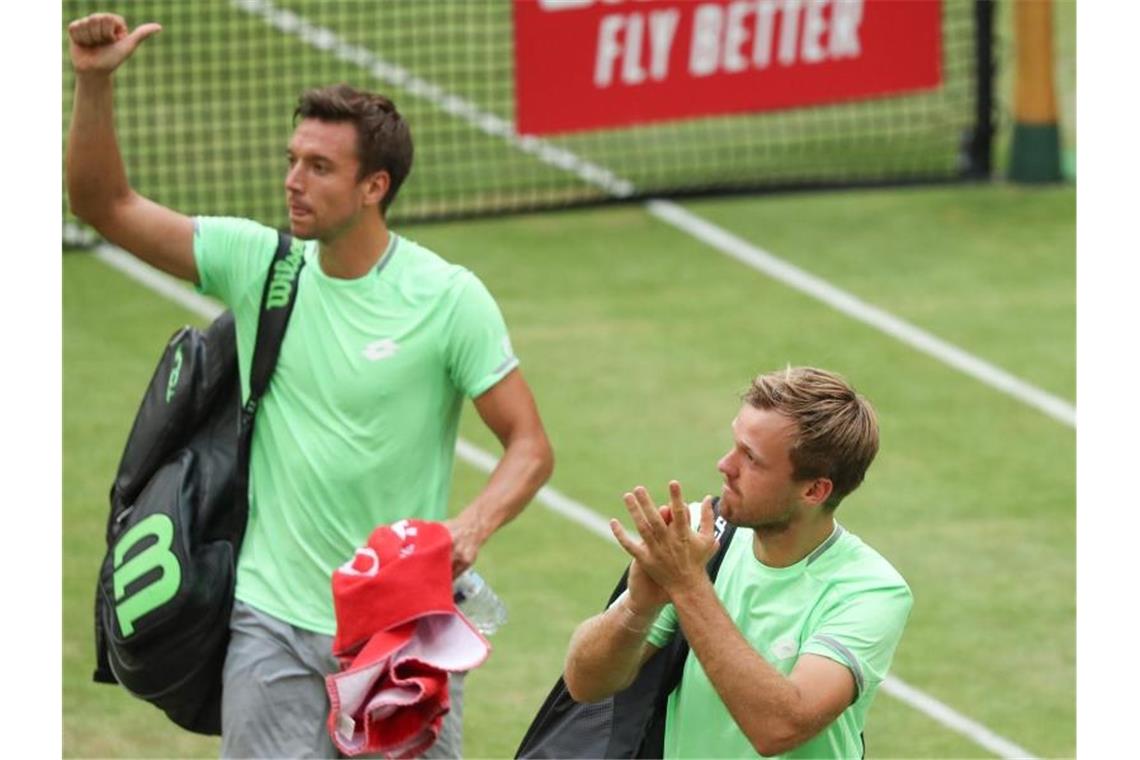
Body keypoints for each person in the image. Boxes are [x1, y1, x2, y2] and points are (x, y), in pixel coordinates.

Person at [66, 12, 555, 758]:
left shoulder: (448, 300)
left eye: (319, 167)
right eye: (293, 159)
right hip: (270, 624)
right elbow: (107, 207)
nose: (293, 181)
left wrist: (473, 524)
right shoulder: (261, 264)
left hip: (402, 637)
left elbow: (529, 446)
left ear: (374, 186)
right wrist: (93, 84)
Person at [563, 367, 912, 758]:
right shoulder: (700, 535)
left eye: (752, 458)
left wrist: (688, 585)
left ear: (814, 490)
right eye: (734, 445)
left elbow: (779, 728)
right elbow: (585, 685)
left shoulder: (870, 590)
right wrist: (636, 607)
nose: (725, 465)